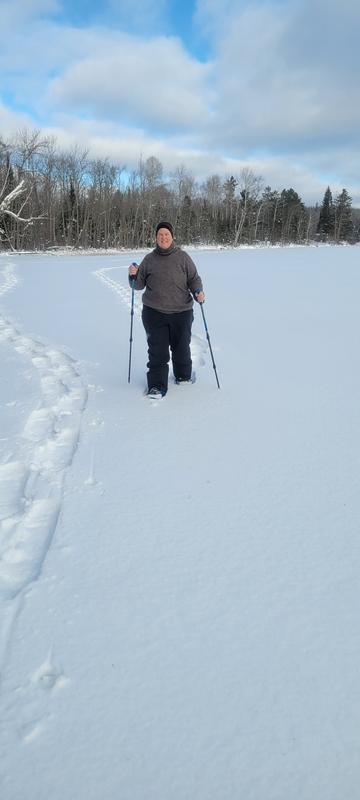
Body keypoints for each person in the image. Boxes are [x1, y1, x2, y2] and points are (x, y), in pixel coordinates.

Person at [128, 221, 205, 398]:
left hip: (182, 312)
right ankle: (156, 386)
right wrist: (132, 274)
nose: (163, 238)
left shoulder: (183, 257)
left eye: (166, 235)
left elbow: (194, 278)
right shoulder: (149, 259)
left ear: (172, 237)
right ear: (156, 238)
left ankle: (183, 376)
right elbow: (137, 285)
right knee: (158, 350)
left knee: (181, 347)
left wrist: (198, 291)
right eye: (160, 235)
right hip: (154, 313)